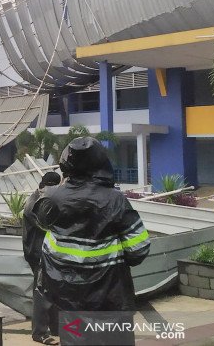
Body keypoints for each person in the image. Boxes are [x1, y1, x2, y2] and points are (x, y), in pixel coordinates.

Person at [34, 137, 150, 345]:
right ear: (101, 163)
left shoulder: (51, 198)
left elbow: (42, 231)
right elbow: (139, 248)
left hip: (68, 300)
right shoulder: (115, 200)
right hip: (111, 300)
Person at [22, 171, 62, 345]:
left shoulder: (41, 198)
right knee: (41, 292)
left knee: (52, 290)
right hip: (38, 254)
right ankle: (39, 332)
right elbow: (50, 225)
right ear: (52, 186)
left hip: (45, 253)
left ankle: (56, 327)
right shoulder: (34, 204)